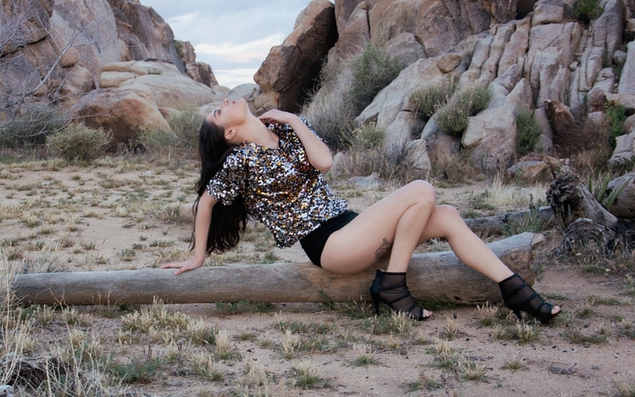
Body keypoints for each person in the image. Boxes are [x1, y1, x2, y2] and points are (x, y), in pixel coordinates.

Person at [161, 98, 561, 322]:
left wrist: (295, 120)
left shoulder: (284, 131)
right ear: (229, 133)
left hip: (350, 226)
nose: (223, 102)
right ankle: (392, 285)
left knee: (449, 215)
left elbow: (325, 162)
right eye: (216, 111)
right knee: (422, 189)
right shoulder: (240, 161)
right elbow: (208, 201)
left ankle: (515, 291)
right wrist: (198, 255)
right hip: (329, 244)